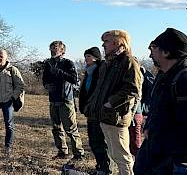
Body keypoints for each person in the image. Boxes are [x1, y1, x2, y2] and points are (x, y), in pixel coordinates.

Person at [134, 28, 187, 175]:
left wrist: (185, 165)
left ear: (166, 52)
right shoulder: (165, 76)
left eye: (153, 48)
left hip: (178, 162)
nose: (150, 54)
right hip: (160, 156)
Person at [85, 30, 142, 175]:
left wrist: (110, 103)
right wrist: (92, 106)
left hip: (116, 117)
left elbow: (133, 88)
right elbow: (99, 89)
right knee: (115, 155)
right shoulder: (108, 63)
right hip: (105, 117)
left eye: (106, 41)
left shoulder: (128, 61)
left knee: (122, 157)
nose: (103, 45)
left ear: (117, 43)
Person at [42, 40, 84, 160]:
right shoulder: (48, 64)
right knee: (56, 128)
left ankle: (78, 154)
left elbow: (75, 80)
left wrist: (59, 72)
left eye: (55, 48)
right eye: (51, 48)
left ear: (62, 50)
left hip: (66, 100)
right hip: (53, 100)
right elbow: (44, 79)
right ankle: (62, 152)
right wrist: (46, 86)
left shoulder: (68, 63)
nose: (52, 50)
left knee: (70, 128)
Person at [79, 47, 111, 175]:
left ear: (96, 57)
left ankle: (105, 167)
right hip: (90, 110)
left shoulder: (101, 70)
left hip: (99, 110)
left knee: (99, 140)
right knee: (92, 140)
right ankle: (100, 165)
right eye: (85, 56)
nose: (86, 59)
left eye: (88, 56)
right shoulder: (88, 72)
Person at [129, 65, 155, 157]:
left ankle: (138, 163)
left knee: (136, 142)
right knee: (133, 141)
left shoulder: (137, 75)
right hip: (134, 112)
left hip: (136, 112)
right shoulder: (140, 73)